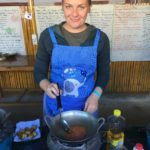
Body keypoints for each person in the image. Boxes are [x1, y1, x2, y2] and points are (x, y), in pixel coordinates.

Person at [34, 0, 110, 119]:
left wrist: (95, 96)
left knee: (86, 136)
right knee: (56, 135)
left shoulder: (100, 39)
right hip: (55, 104)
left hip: (88, 104)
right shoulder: (48, 36)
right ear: (62, 7)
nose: (74, 14)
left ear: (89, 7)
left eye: (81, 7)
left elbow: (104, 74)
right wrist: (47, 86)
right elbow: (39, 72)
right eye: (69, 6)